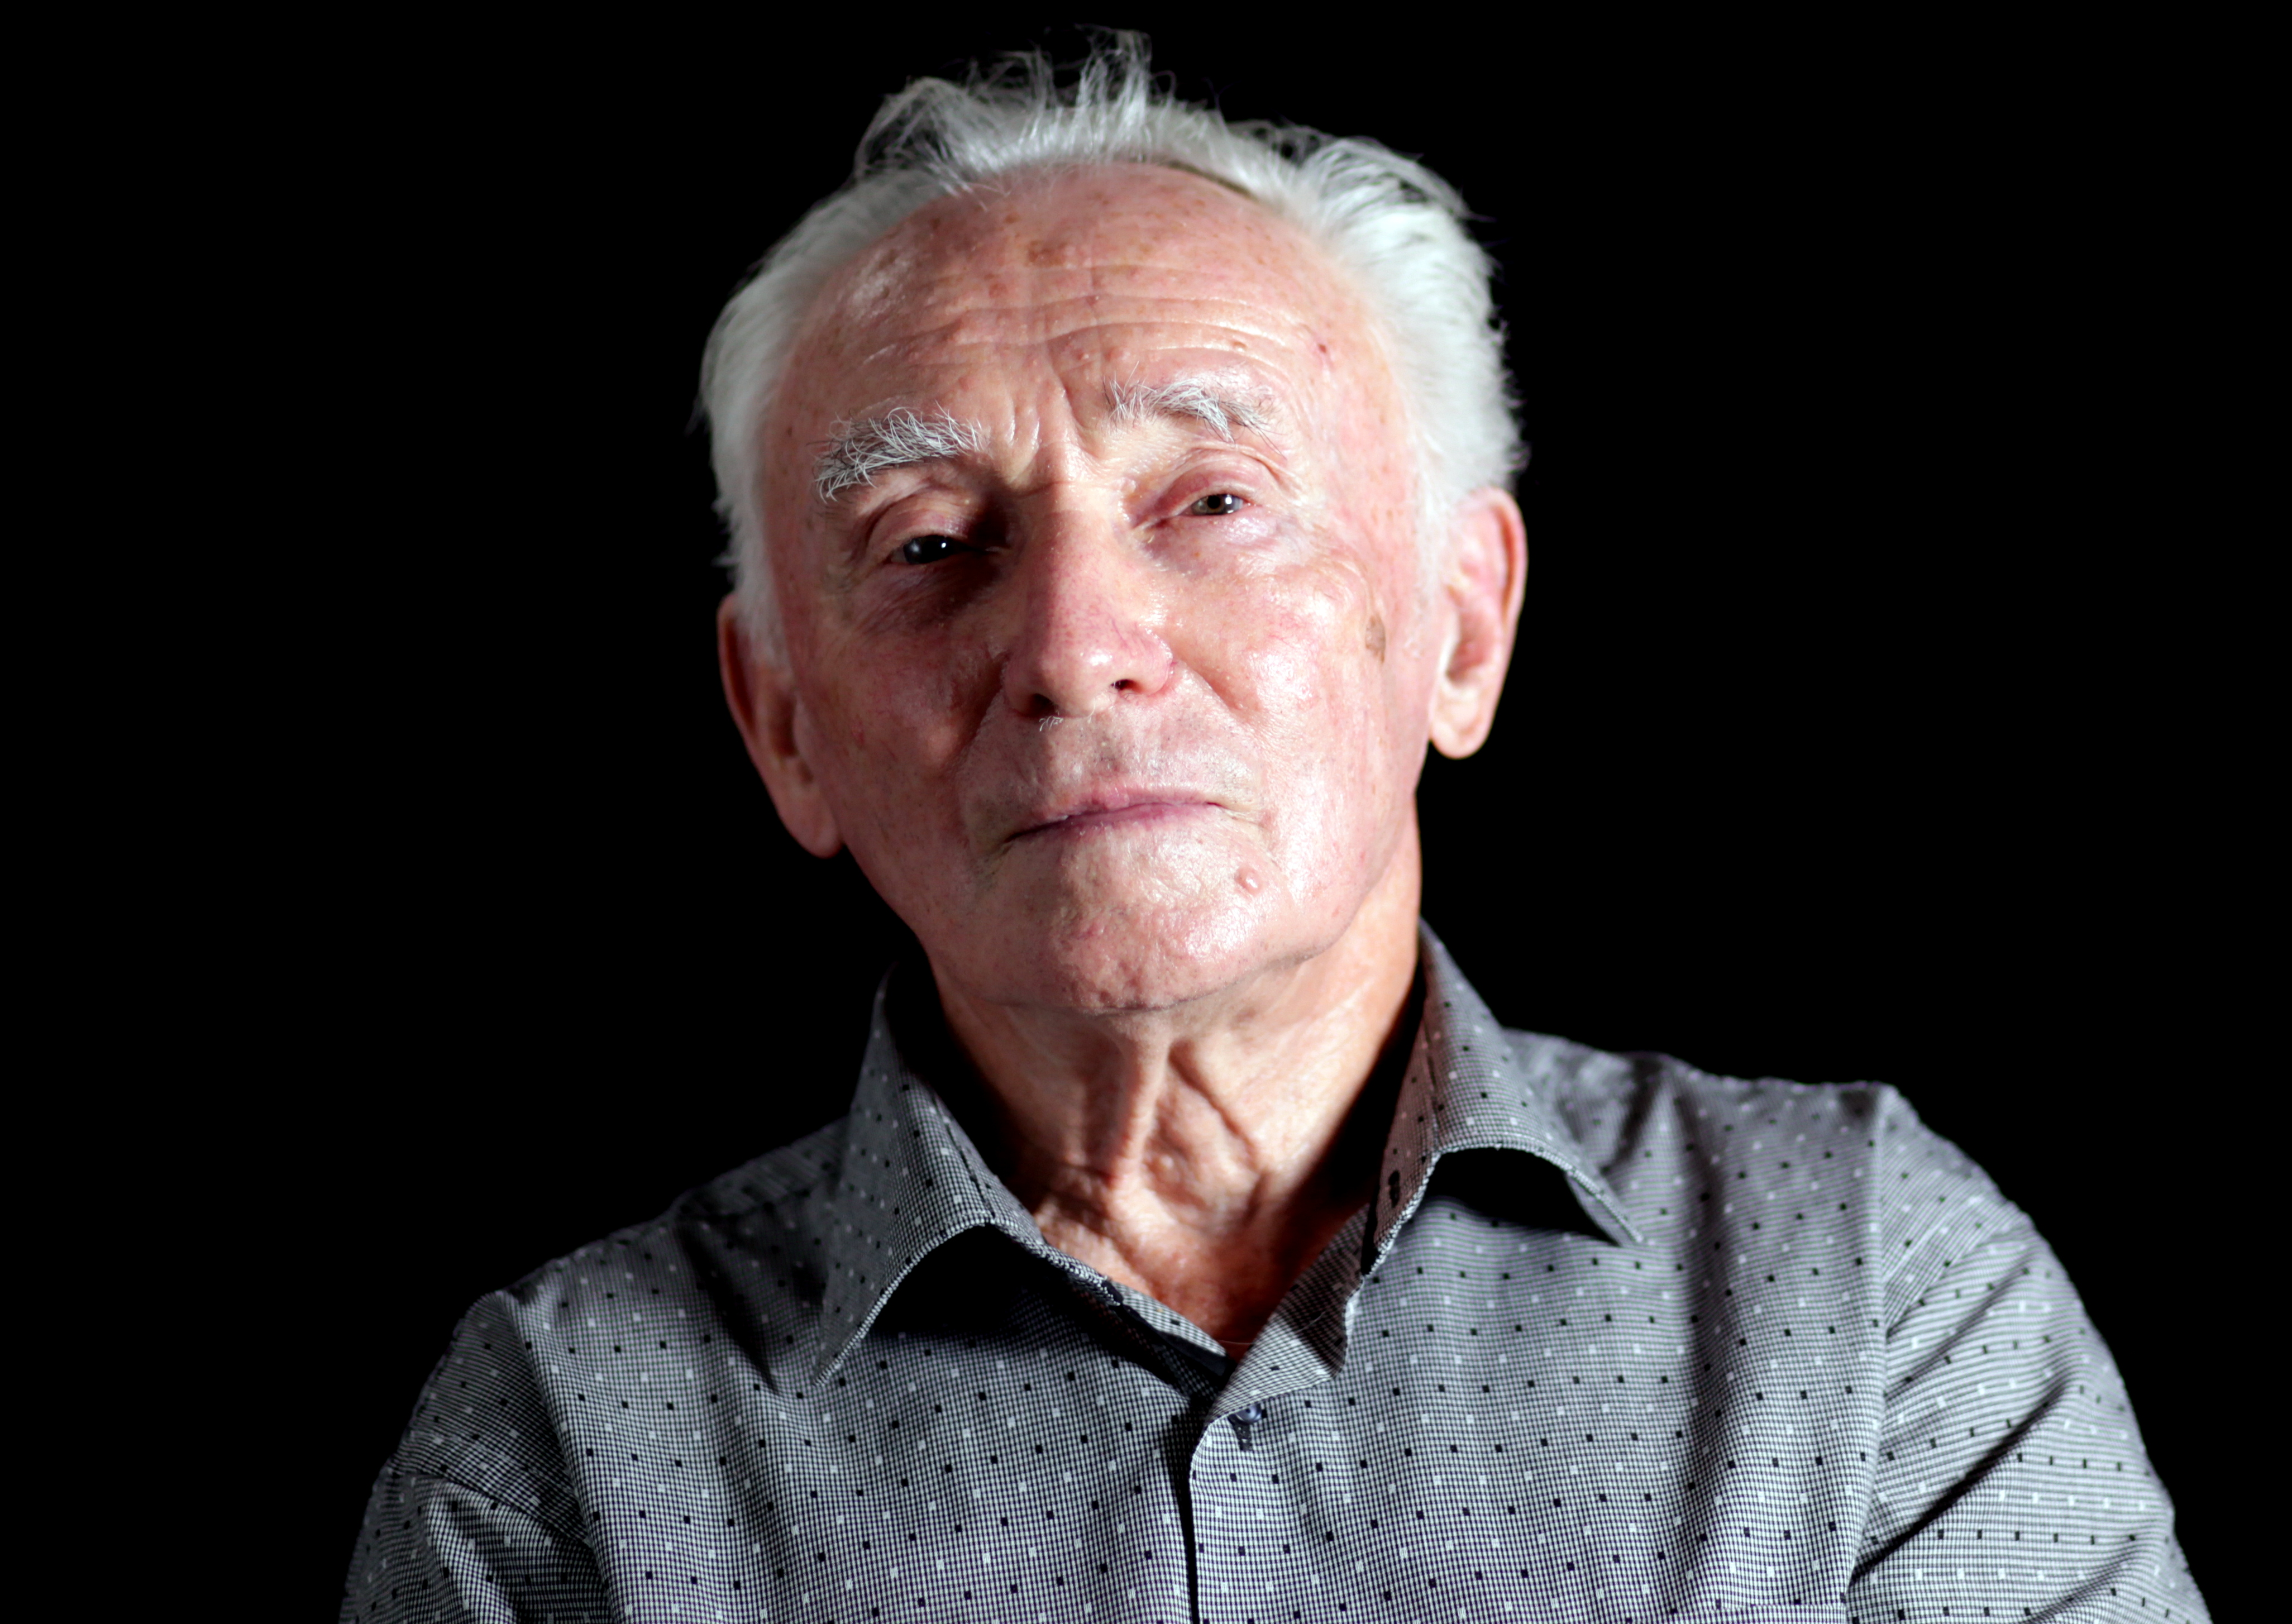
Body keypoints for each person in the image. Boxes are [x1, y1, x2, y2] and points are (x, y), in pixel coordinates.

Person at [342, 39, 2207, 1622]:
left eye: (1215, 500)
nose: (1073, 646)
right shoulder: (564, 1452)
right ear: (781, 728)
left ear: (1461, 626)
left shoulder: (1864, 1289)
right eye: (929, 541)